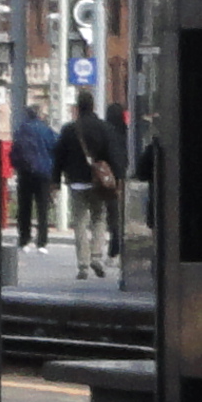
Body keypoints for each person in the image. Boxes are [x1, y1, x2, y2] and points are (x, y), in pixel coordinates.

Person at [66, 101, 123, 276]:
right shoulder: (104, 128)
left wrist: (55, 179)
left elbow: (60, 154)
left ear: (79, 108)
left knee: (80, 223)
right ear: (93, 106)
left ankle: (83, 264)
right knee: (99, 218)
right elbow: (113, 154)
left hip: (76, 182)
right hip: (98, 182)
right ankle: (96, 256)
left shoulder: (69, 129)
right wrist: (117, 177)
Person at [10, 104, 61, 252]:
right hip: (43, 173)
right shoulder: (46, 130)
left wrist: (17, 166)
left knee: (24, 207)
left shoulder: (21, 130)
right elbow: (55, 148)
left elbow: (14, 152)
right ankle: (42, 241)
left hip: (25, 173)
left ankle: (24, 239)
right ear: (39, 115)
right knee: (42, 208)